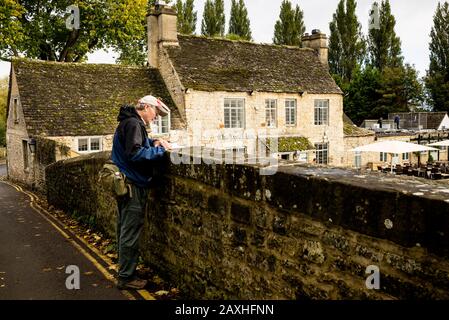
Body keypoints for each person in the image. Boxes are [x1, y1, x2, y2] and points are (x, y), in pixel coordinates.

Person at [111, 95, 172, 290]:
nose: (156, 117)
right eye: (155, 112)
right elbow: (135, 154)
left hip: (126, 182)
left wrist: (153, 142)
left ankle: (125, 271)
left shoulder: (130, 122)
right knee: (130, 231)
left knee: (124, 229)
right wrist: (161, 151)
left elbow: (135, 146)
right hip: (133, 185)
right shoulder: (134, 124)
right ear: (145, 107)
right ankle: (126, 277)